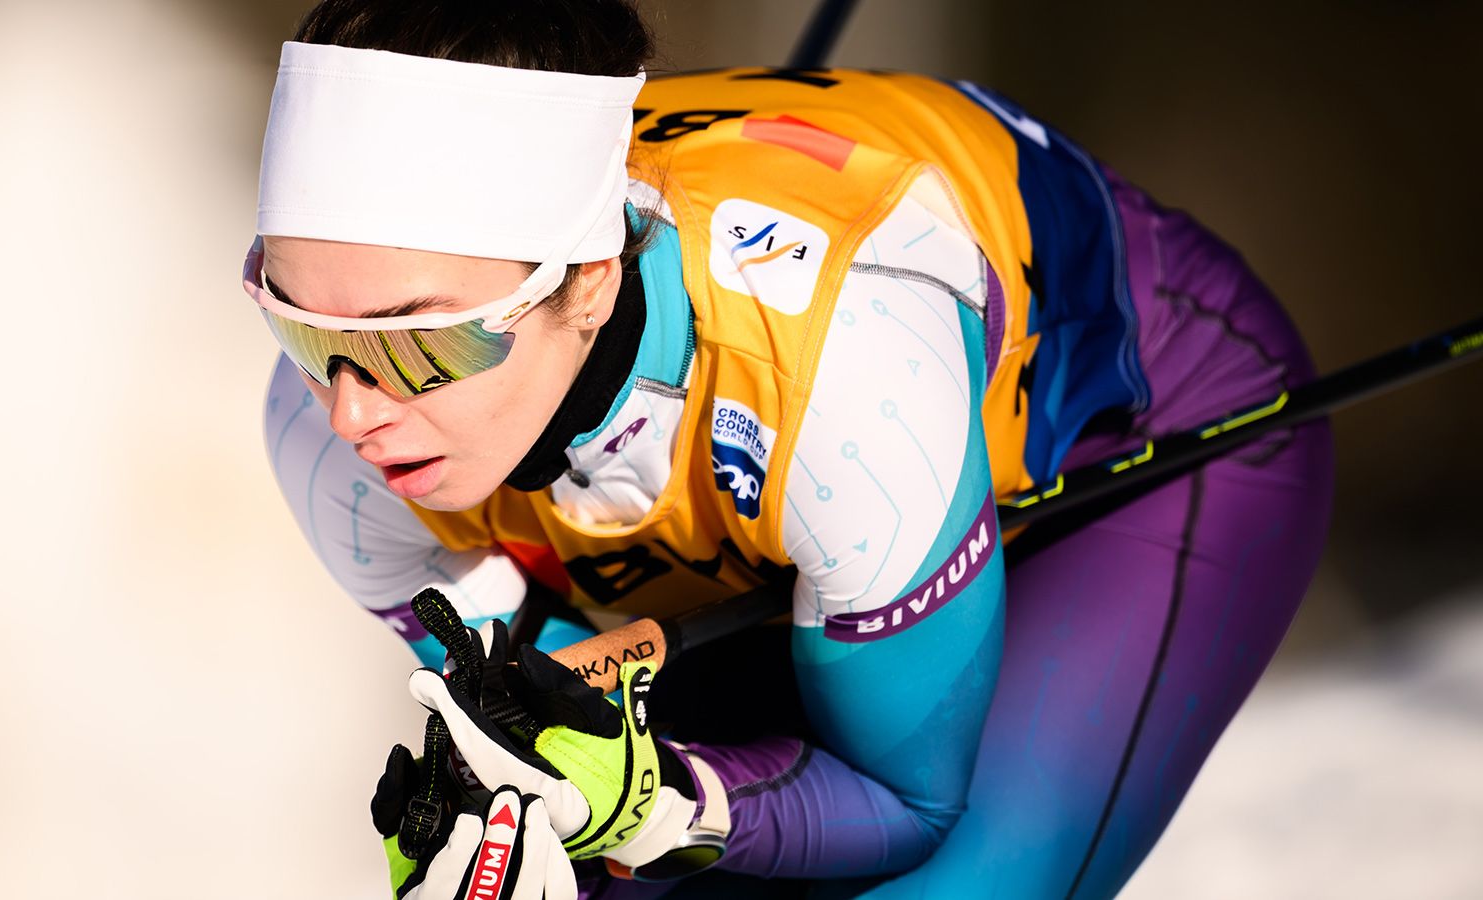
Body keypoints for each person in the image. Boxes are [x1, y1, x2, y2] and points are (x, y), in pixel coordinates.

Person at [246, 1, 1333, 896]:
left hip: (1130, 437)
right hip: (796, 521)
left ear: (590, 283)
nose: (352, 414)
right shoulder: (328, 448)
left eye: (423, 346)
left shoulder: (845, 373)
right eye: (302, 330)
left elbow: (904, 803)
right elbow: (560, 717)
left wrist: (661, 803)